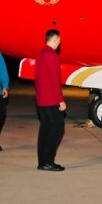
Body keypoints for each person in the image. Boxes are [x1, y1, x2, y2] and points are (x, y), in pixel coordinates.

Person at [34, 29, 66, 172]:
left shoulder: (41, 54)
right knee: (57, 129)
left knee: (45, 130)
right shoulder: (51, 55)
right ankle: (48, 161)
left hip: (42, 100)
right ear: (54, 39)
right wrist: (60, 100)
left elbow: (38, 78)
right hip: (51, 100)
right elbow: (54, 80)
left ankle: (43, 162)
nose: (60, 42)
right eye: (59, 40)